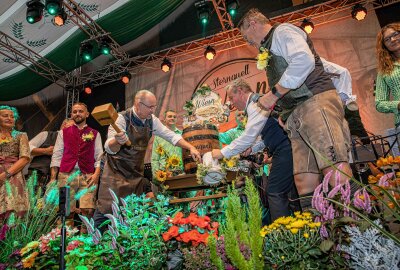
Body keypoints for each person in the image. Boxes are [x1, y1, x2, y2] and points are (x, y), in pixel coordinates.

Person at [238, 8, 354, 210]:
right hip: (295, 116)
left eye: (245, 35)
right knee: (303, 180)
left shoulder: (283, 31)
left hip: (315, 104)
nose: (247, 41)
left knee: (333, 168)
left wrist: (274, 94)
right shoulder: (270, 49)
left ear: (252, 24)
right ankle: (317, 232)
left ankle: (357, 232)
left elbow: (304, 61)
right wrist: (285, 111)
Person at [94, 90, 201, 228]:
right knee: (106, 210)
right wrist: (117, 141)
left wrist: (190, 147)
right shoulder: (120, 119)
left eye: (154, 107)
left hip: (135, 175)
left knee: (131, 215)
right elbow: (109, 148)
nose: (153, 110)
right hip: (115, 174)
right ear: (138, 104)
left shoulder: (152, 121)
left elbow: (171, 136)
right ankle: (94, 241)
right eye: (150, 107)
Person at [211, 79, 300, 221]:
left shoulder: (256, 104)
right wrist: (253, 148)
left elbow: (248, 137)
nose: (232, 103)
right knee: (289, 190)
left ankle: (281, 233)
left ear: (240, 91)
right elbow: (264, 137)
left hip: (286, 147)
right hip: (283, 148)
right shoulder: (255, 104)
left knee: (275, 191)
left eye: (231, 98)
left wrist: (221, 153)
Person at [50, 103, 103, 228]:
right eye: (74, 112)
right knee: (65, 211)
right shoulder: (63, 133)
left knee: (88, 211)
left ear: (87, 114)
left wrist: (96, 174)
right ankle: (64, 241)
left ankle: (84, 242)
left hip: (88, 175)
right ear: (71, 114)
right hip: (66, 175)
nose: (77, 114)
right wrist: (53, 178)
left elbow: (99, 156)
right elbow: (57, 155)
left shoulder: (95, 133)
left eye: (80, 111)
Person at [0, 105, 30, 220]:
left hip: (13, 175)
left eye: (12, 116)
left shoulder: (20, 136)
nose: (9, 118)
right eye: (5, 116)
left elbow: (25, 158)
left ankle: (11, 236)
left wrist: (5, 174)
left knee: (12, 210)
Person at [28, 119, 74, 190]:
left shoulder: (74, 143)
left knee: (63, 200)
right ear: (64, 125)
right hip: (37, 176)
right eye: (73, 127)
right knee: (30, 200)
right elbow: (26, 149)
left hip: (62, 180)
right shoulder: (46, 134)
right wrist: (45, 151)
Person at [375, 23, 400, 129]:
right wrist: (398, 105)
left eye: (395, 34)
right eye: (387, 39)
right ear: (384, 46)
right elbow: (379, 104)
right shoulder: (384, 70)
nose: (393, 39)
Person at [151, 109, 184, 178]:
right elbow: (155, 158)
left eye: (174, 117)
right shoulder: (158, 137)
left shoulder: (182, 134)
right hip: (165, 173)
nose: (172, 118)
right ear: (164, 119)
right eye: (170, 116)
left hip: (181, 171)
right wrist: (157, 175)